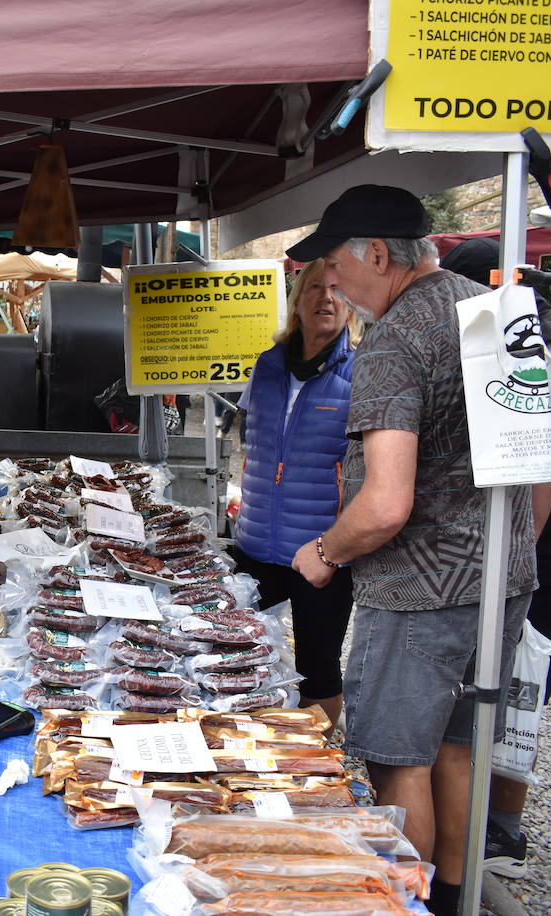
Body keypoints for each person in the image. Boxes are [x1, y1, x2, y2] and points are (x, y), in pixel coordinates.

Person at [287, 185, 536, 916]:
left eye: (334, 263)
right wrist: (511, 553)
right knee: (459, 749)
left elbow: (386, 502)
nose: (330, 281)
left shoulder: (396, 338)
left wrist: (326, 552)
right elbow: (541, 464)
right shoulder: (495, 308)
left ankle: (408, 903)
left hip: (419, 594)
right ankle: (456, 900)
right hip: (501, 581)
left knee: (401, 764)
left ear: (375, 253)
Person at [439, 237, 551, 878]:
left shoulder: (548, 342)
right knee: (489, 675)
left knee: (524, 673)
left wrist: (514, 555)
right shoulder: (495, 333)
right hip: (517, 534)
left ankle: (502, 829)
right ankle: (474, 815)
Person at [230, 258, 357, 724]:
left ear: (350, 306)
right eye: (315, 288)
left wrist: (337, 548)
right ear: (297, 302)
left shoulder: (359, 374)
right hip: (255, 542)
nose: (326, 298)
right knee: (232, 650)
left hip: (322, 550)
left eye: (338, 290)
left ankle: (318, 765)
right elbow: (253, 445)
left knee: (317, 668)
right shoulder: (266, 366)